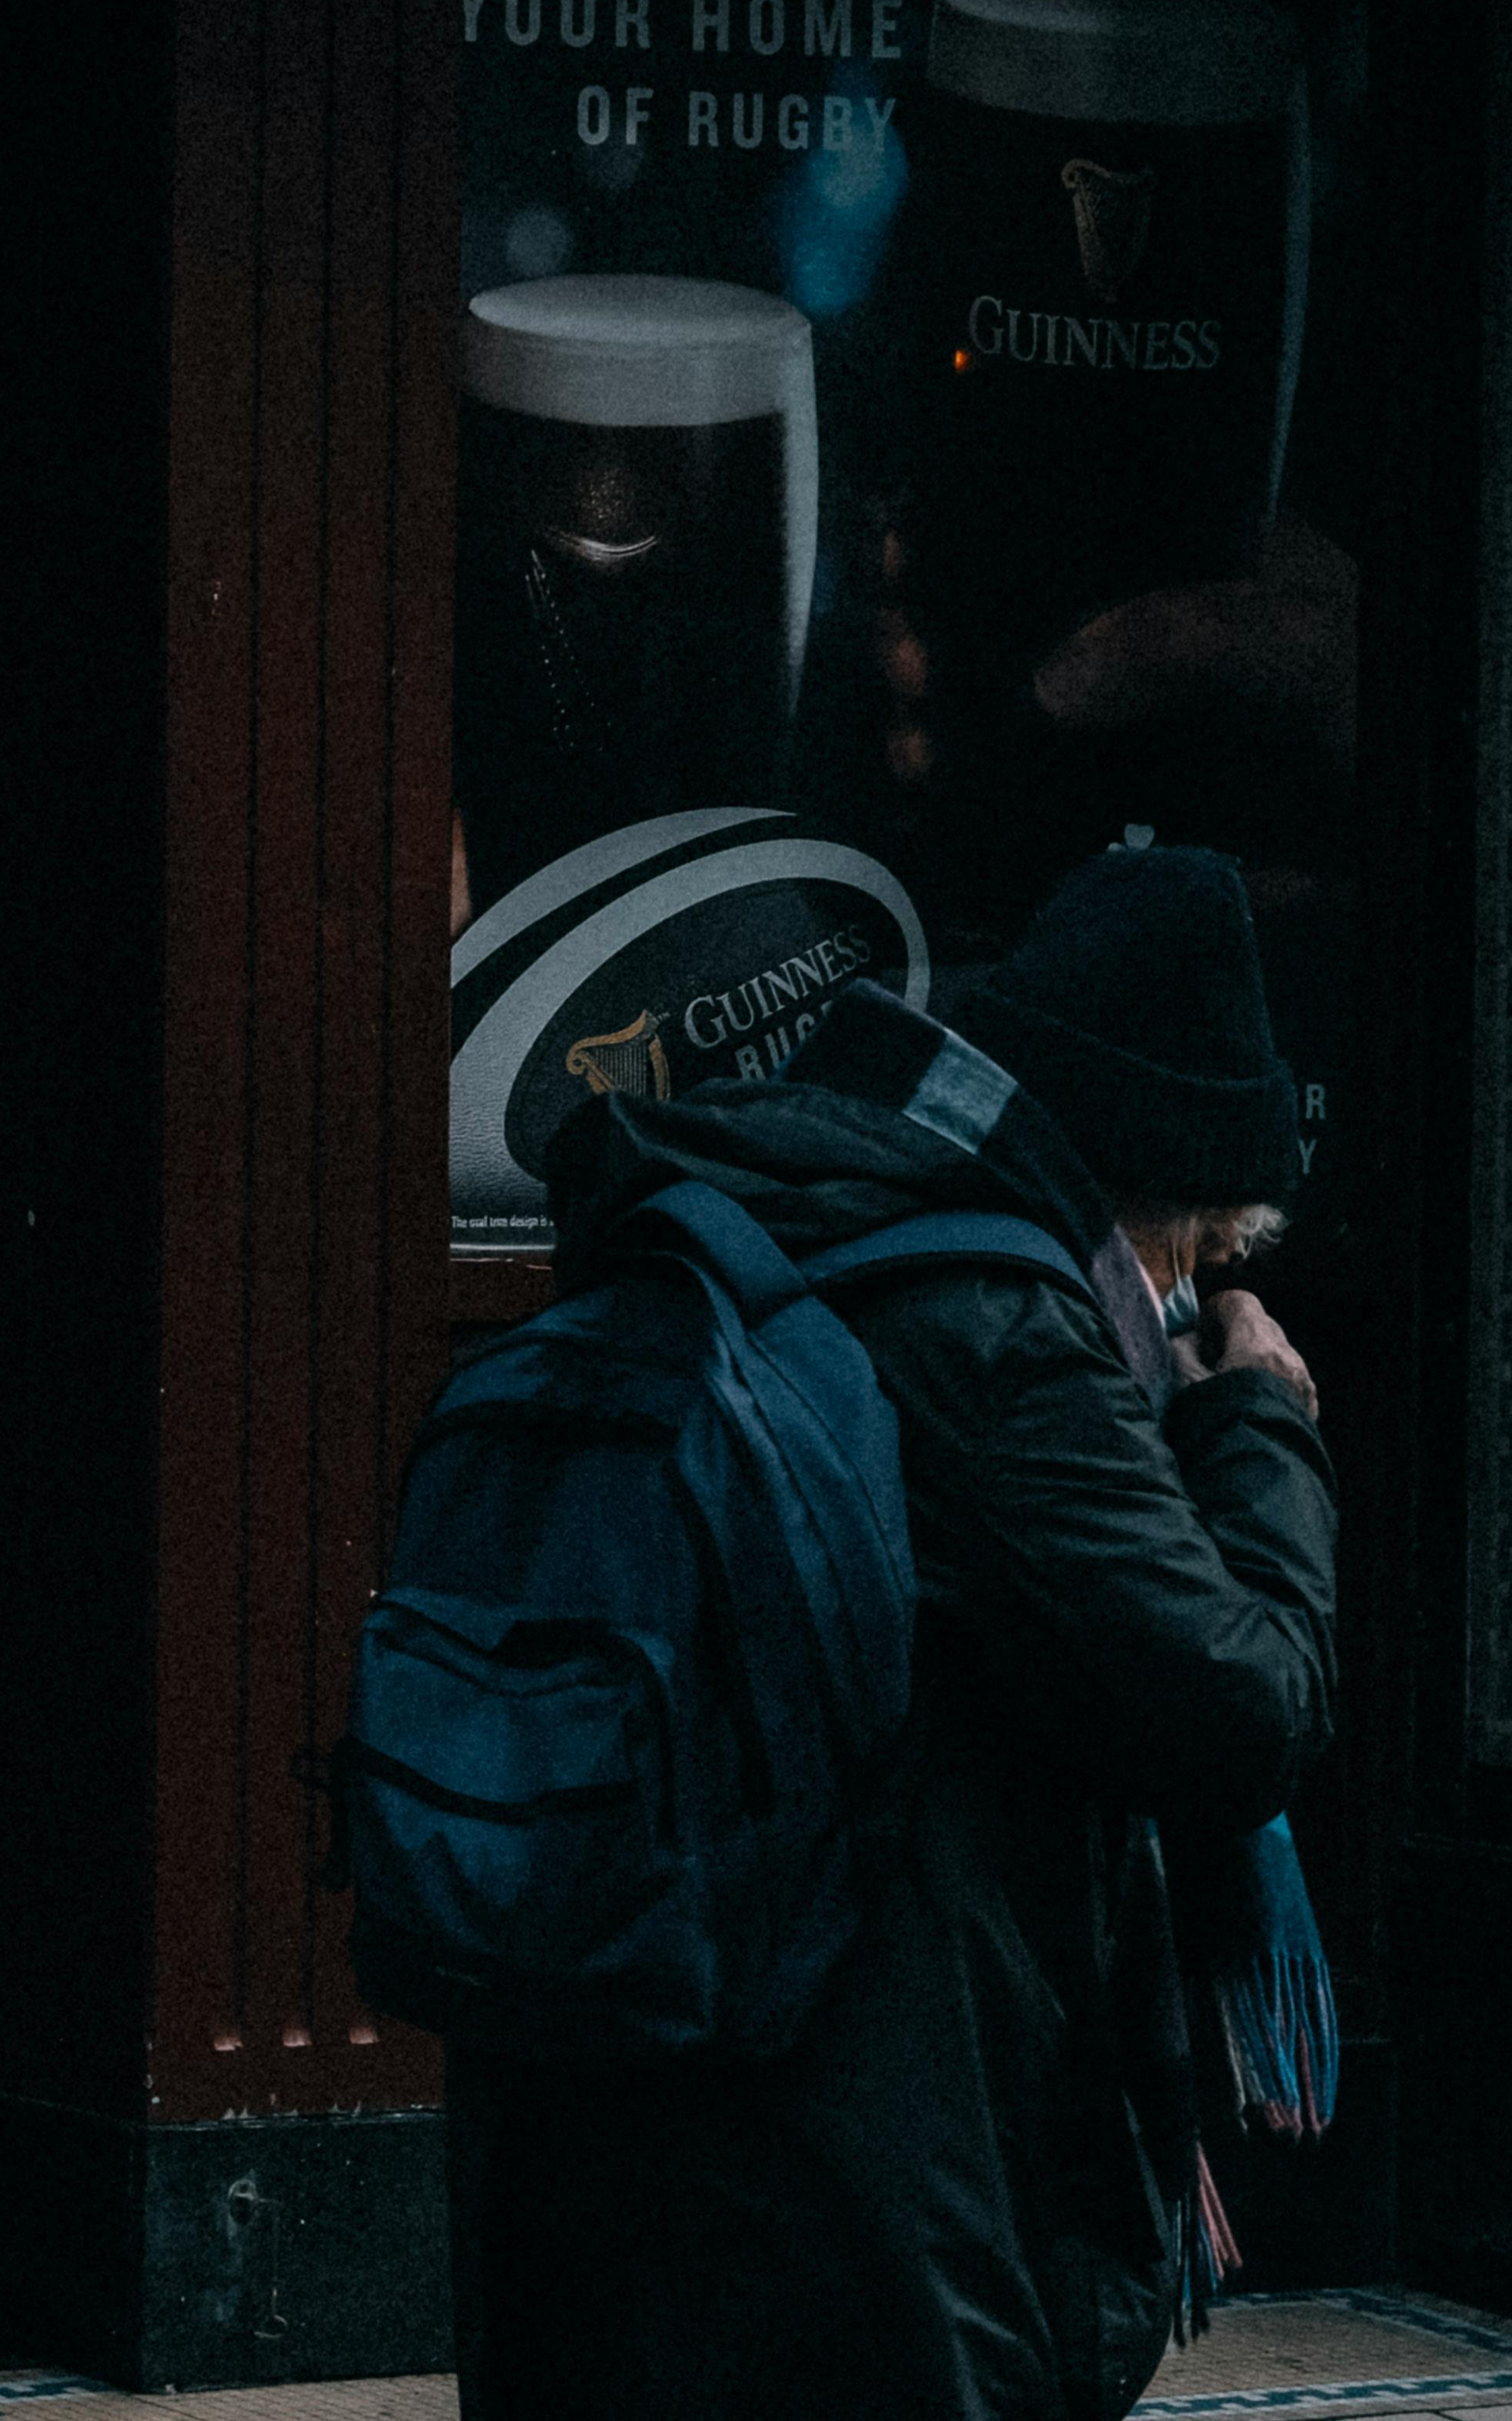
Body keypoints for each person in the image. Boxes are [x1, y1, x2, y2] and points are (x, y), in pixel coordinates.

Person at [453, 844, 1336, 2421]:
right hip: (855, 2200)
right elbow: (1236, 1707)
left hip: (588, 2137)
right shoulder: (991, 1326)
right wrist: (1256, 1425)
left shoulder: (734, 1227)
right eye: (1196, 1264)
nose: (1186, 1303)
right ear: (1159, 1202)